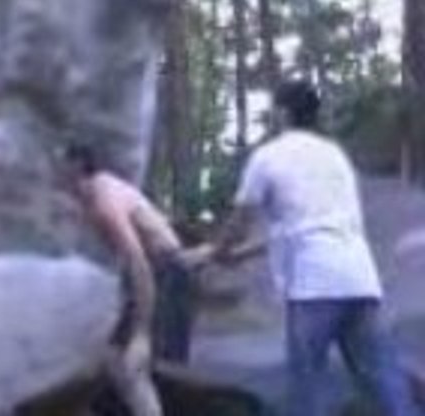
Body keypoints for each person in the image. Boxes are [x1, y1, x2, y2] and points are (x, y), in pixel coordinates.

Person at [212, 79, 420, 416]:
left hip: (313, 285)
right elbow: (302, 228)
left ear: (282, 112)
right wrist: (238, 254)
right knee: (382, 379)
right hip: (359, 279)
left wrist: (219, 252)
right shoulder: (335, 156)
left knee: (306, 389)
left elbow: (239, 222)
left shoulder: (268, 156)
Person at [61, 142, 211, 416]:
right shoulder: (102, 190)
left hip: (160, 273)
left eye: (63, 167)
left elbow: (139, 262)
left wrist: (141, 333)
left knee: (130, 366)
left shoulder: (103, 201)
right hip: (162, 269)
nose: (58, 176)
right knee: (115, 360)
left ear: (77, 168)